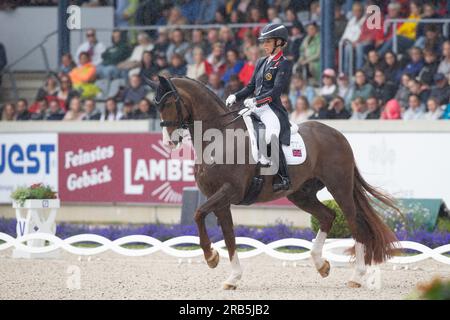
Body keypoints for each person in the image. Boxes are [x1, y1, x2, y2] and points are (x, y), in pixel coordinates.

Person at [225, 23, 292, 192]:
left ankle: (283, 177)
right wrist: (236, 96)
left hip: (272, 109)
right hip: (255, 106)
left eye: (268, 41)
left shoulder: (283, 64)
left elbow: (276, 91)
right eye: (264, 42)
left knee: (270, 136)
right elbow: (250, 86)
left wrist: (257, 100)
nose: (264, 45)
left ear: (279, 42)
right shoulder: (262, 61)